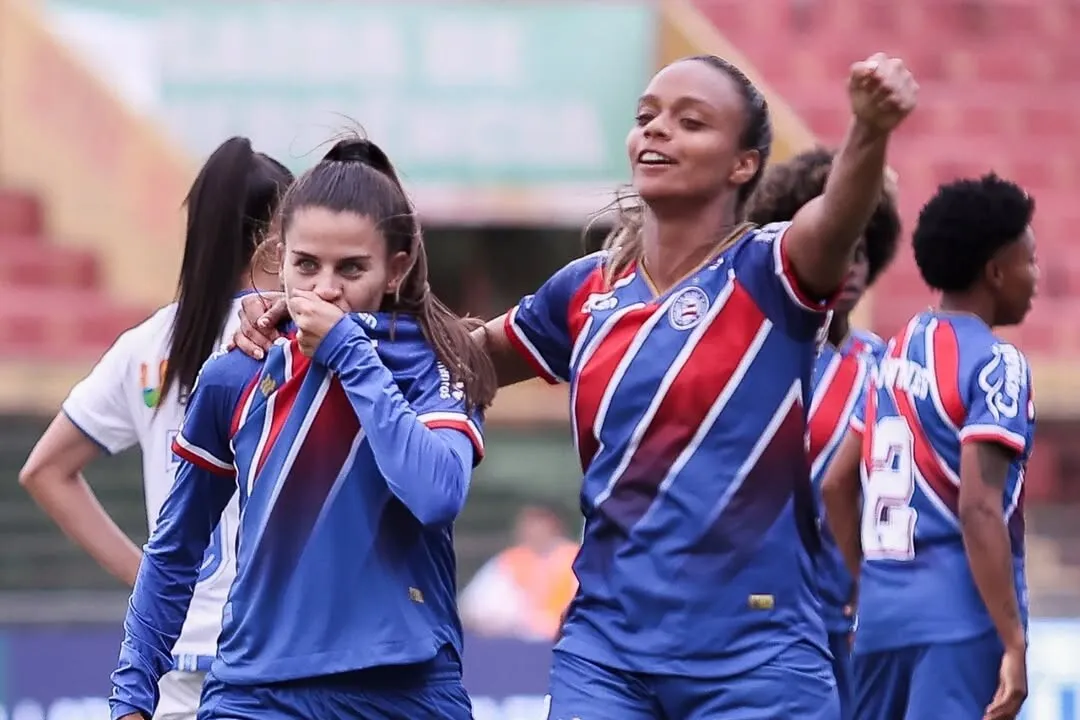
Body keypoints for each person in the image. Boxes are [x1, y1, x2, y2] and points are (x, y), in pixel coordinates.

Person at [233, 54, 917, 718]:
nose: (656, 130)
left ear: (744, 164)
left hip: (758, 656)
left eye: (690, 121)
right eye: (647, 115)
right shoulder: (587, 290)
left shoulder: (771, 273)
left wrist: (869, 130)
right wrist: (300, 318)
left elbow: (834, 223)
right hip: (606, 654)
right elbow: (457, 360)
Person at [108, 137, 498, 720]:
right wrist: (134, 693)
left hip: (402, 688)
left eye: (351, 269)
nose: (325, 289)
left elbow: (436, 494)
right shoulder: (236, 374)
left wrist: (351, 353)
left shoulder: (434, 361)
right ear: (278, 258)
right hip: (254, 692)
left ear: (396, 269)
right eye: (306, 265)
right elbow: (174, 549)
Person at [19, 137, 292, 720]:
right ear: (277, 236)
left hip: (170, 665)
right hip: (271, 662)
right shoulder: (295, 340)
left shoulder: (148, 345)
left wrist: (148, 578)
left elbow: (44, 471)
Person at [821, 174, 1037, 720]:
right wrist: (1013, 641)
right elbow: (979, 505)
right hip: (961, 622)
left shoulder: (892, 353)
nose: (1035, 278)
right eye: (1028, 261)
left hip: (879, 623)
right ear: (996, 271)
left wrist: (859, 587)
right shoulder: (996, 363)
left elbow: (836, 482)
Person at [744, 146, 902, 719]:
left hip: (854, 612)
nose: (853, 264)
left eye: (864, 250)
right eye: (842, 247)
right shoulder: (756, 355)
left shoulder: (887, 366)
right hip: (762, 614)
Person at [459, 503, 579, 641]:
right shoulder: (509, 561)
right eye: (528, 525)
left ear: (555, 527)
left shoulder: (576, 560)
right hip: (514, 645)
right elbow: (472, 607)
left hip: (564, 642)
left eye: (539, 525)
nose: (533, 531)